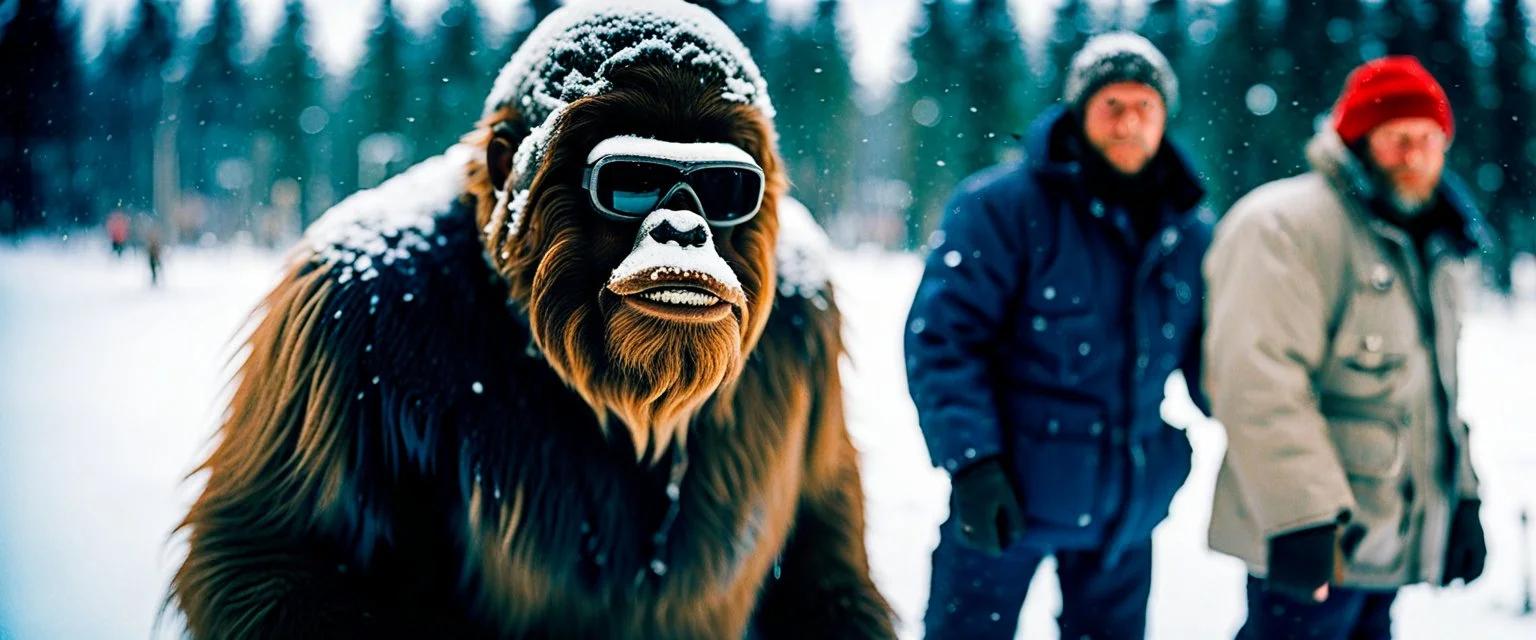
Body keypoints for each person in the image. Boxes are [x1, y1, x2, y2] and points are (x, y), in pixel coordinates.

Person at [904, 31, 1211, 639]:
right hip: (1004, 501)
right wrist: (973, 464)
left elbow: (1215, 359)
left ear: (1164, 117)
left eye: (1144, 107)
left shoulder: (1190, 231)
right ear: (1080, 111)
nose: (1129, 123)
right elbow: (944, 340)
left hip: (1125, 514)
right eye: (1112, 106)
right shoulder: (1001, 207)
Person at [1203, 56, 1490, 640]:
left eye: (1429, 140)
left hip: (1390, 541)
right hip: (1317, 541)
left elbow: (1436, 391)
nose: (1416, 155)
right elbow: (1257, 381)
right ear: (1357, 144)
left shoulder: (1430, 242)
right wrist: (1301, 517)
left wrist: (1461, 499)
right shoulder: (1285, 225)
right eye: (1397, 139)